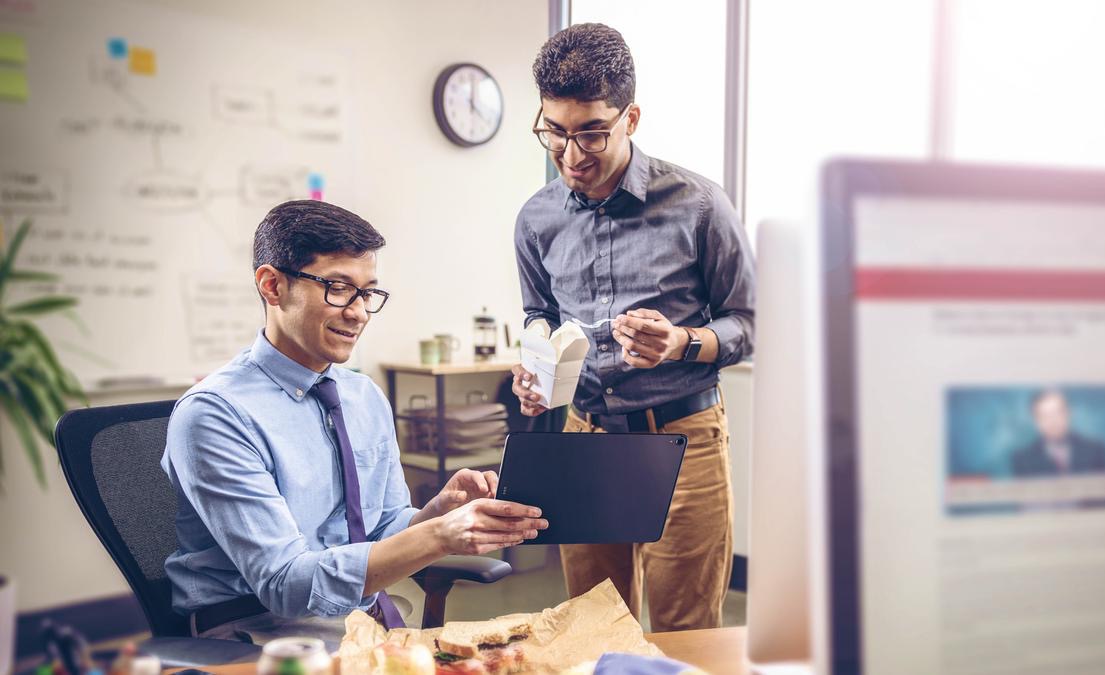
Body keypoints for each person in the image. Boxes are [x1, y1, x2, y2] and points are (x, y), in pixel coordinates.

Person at [162, 200, 547, 645]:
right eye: (338, 288)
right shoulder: (214, 415)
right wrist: (439, 537)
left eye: (367, 293)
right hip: (255, 633)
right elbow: (285, 585)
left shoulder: (362, 395)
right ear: (272, 286)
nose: (359, 312)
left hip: (357, 624)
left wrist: (434, 513)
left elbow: (379, 528)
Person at [510, 24, 755, 631]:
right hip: (585, 435)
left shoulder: (699, 205)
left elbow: (751, 321)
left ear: (631, 118)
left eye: (592, 132)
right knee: (591, 627)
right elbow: (538, 314)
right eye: (554, 133)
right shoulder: (536, 218)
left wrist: (682, 341)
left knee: (685, 632)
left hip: (684, 436)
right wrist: (538, 367)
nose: (570, 155)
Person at [1011, 389, 1105, 476]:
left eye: (1057, 413)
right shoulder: (1023, 459)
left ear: (1069, 413)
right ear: (1036, 421)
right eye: (1045, 416)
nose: (1053, 421)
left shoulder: (1095, 451)